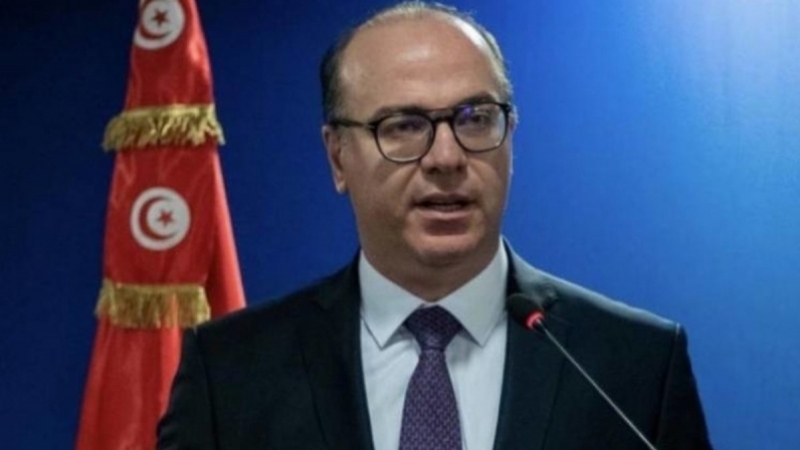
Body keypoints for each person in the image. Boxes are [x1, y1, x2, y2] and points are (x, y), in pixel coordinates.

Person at [157, 2, 712, 449]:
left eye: (476, 119)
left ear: (512, 137)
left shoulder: (635, 365)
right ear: (337, 157)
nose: (447, 157)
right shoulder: (231, 372)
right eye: (404, 125)